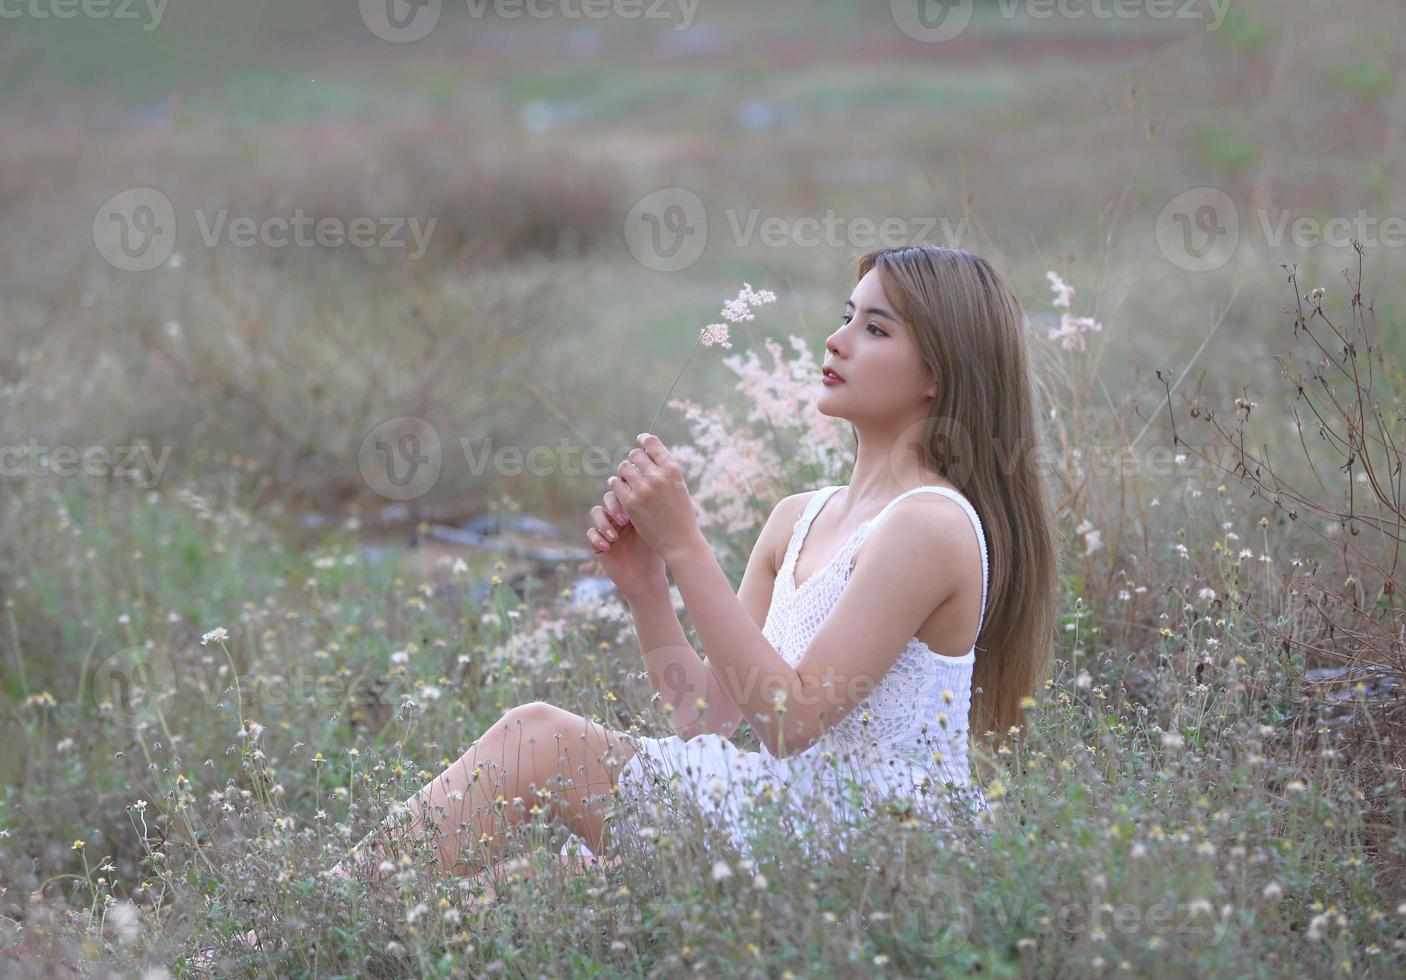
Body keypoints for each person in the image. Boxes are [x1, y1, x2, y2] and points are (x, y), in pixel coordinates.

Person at [329, 244, 1058, 888]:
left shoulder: (929, 523)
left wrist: (686, 546)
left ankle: (313, 911)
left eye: (875, 328)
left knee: (538, 738)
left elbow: (790, 723)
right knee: (518, 892)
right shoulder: (799, 518)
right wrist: (649, 589)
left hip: (877, 845)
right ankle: (265, 943)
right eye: (846, 315)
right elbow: (705, 713)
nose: (836, 341)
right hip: (787, 817)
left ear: (938, 373)